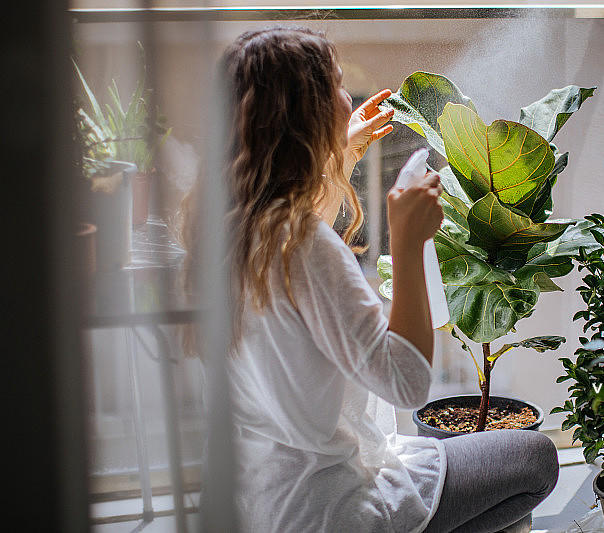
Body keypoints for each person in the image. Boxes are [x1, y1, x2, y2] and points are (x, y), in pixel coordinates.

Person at [186, 26, 559, 533]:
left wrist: (335, 154)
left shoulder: (229, 225)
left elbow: (301, 267)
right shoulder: (307, 246)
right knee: (536, 460)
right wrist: (408, 245)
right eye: (336, 87)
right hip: (327, 508)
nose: (348, 98)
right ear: (306, 116)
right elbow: (406, 384)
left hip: (256, 495)